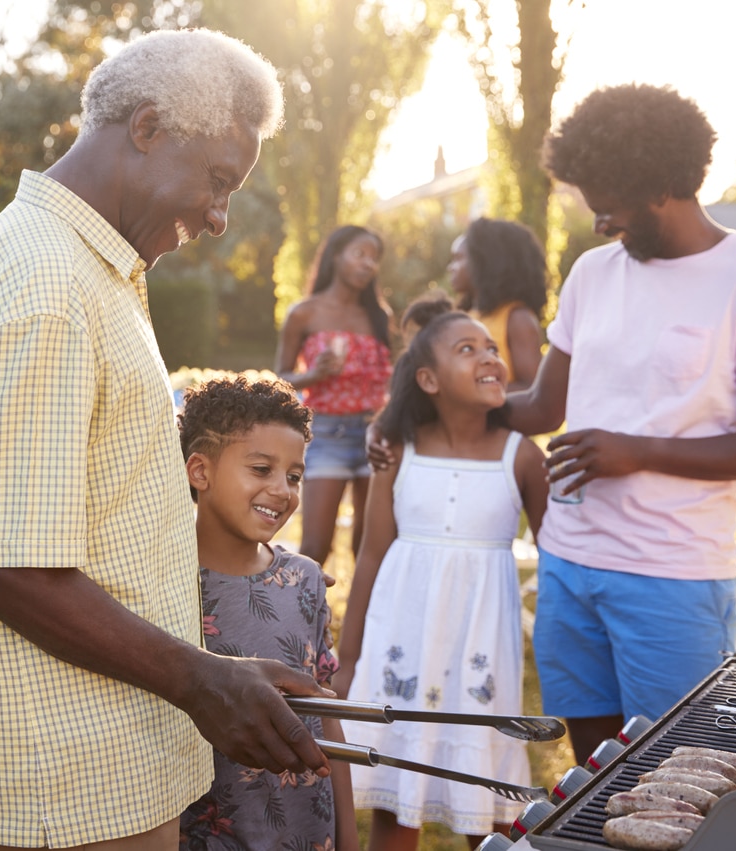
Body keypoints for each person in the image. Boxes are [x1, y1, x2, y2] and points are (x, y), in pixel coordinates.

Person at [0, 29, 334, 850]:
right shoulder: (50, 286)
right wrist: (203, 680)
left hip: (90, 762)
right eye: (218, 181)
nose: (218, 217)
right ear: (149, 127)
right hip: (51, 786)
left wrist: (221, 670)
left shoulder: (92, 267)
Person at [503, 84, 736, 761]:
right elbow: (545, 406)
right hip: (568, 562)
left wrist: (635, 450)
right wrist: (433, 399)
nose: (598, 223)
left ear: (661, 186)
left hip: (671, 576)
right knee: (593, 772)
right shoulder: (591, 274)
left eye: (608, 205)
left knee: (674, 771)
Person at [336, 311, 548, 850]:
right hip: (402, 645)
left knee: (491, 806)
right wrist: (351, 658)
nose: (489, 357)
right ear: (428, 380)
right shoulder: (397, 452)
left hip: (481, 650)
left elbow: (558, 558)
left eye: (491, 348)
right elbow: (369, 557)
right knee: (396, 797)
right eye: (467, 349)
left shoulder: (520, 456)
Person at [176, 374, 359, 851]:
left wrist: (348, 834)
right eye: (261, 469)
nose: (282, 490)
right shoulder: (165, 585)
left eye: (294, 476)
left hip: (304, 826)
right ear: (200, 472)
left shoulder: (304, 581)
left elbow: (325, 711)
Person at [275, 225, 393, 568]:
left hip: (373, 433)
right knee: (315, 545)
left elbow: (390, 377)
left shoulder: (378, 316)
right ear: (336, 256)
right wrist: (313, 375)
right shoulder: (304, 313)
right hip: (326, 433)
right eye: (360, 254)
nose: (368, 264)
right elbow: (281, 376)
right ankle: (301, 620)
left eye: (374, 258)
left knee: (369, 545)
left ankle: (366, 621)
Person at [446, 218, 547, 391]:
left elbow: (533, 391)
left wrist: (474, 392)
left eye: (458, 258)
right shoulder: (463, 315)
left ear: (485, 262)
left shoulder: (517, 318)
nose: (451, 267)